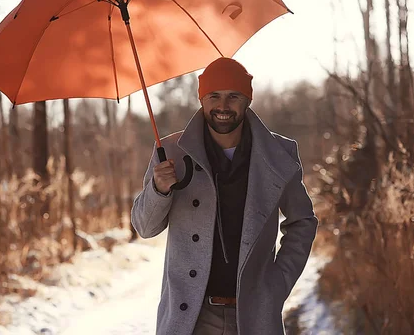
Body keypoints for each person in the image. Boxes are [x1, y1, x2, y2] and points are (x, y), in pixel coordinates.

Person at [131, 57, 318, 335]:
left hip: (253, 314)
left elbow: (303, 221)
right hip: (192, 317)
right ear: (201, 99)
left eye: (234, 96)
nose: (223, 106)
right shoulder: (171, 152)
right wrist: (159, 189)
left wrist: (278, 283)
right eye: (214, 96)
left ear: (248, 99)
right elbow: (145, 228)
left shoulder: (278, 154)